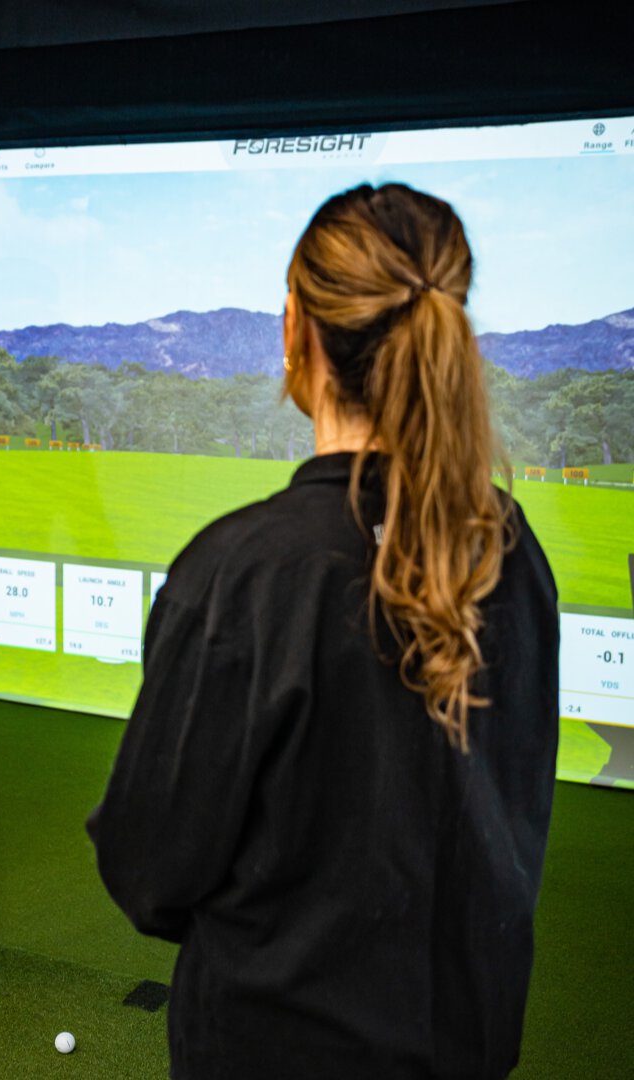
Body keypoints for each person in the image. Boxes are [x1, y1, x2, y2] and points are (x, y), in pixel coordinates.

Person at [87, 183, 559, 1079]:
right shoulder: (509, 545)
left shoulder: (246, 572)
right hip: (468, 1038)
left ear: (295, 331)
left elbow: (150, 871)